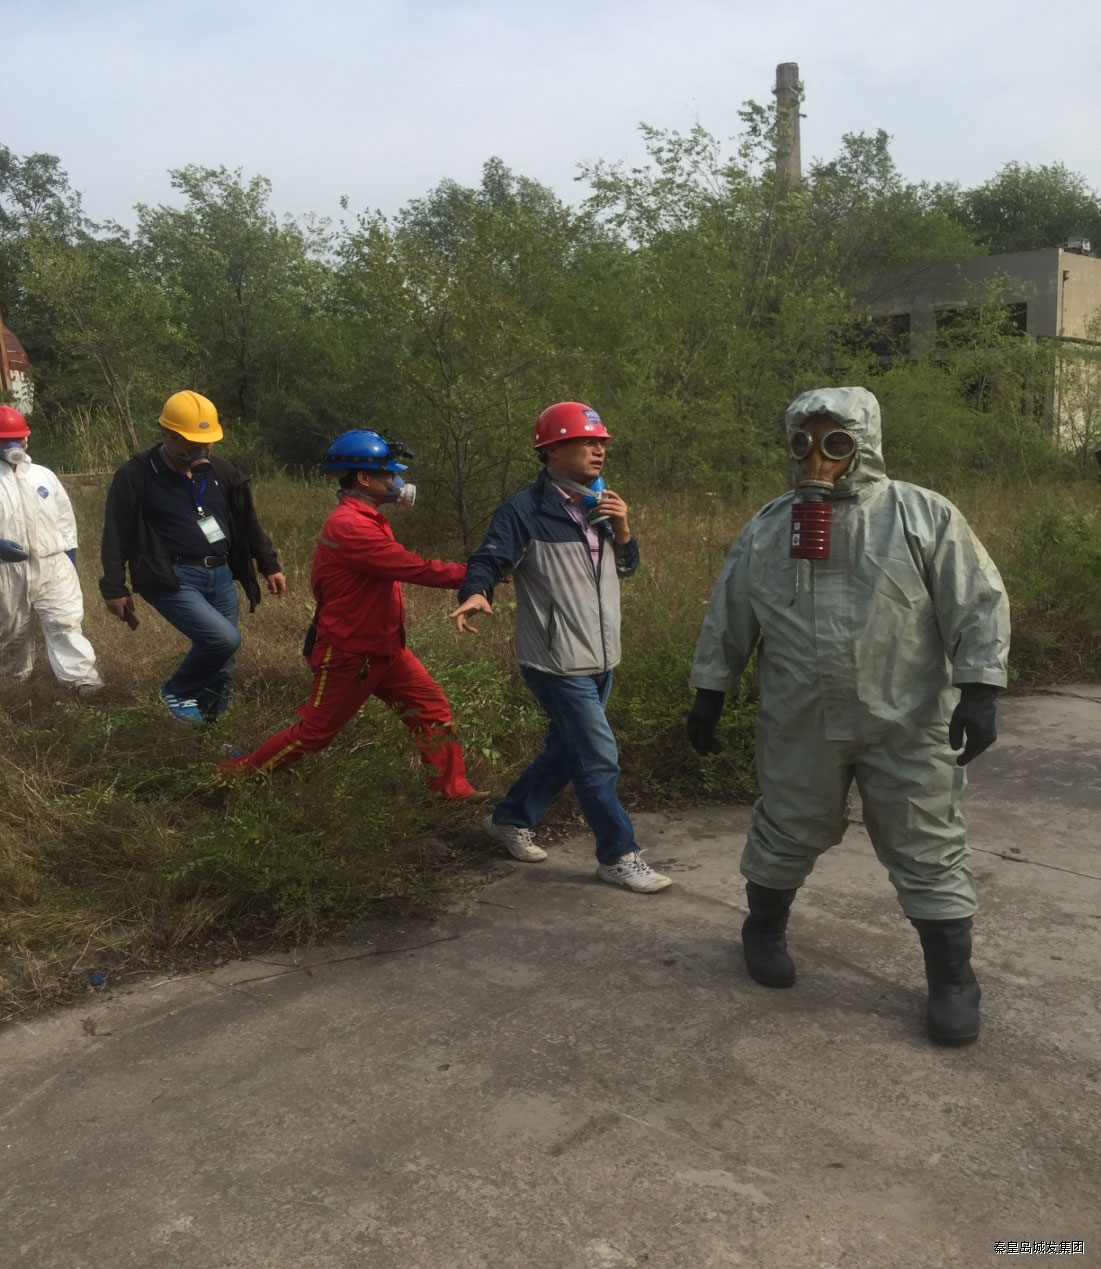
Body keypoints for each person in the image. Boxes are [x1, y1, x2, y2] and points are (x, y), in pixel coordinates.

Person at [686, 386, 1010, 1045]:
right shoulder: (769, 526)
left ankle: (952, 979)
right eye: (803, 443)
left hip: (906, 717)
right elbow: (730, 611)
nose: (818, 458)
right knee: (787, 824)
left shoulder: (920, 514)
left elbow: (975, 599)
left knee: (926, 839)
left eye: (836, 442)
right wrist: (709, 691)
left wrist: (979, 687)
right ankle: (763, 928)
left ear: (864, 444)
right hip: (800, 717)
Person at [450, 401, 671, 893]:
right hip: (555, 659)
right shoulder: (525, 510)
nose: (598, 450)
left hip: (602, 654)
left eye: (601, 442)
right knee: (597, 756)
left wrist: (624, 530)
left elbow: (627, 568)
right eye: (585, 442)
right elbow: (489, 558)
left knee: (565, 747)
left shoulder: (601, 503)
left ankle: (509, 818)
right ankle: (618, 855)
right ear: (551, 451)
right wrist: (477, 591)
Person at [216, 430, 479, 799]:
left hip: (386, 649)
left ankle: (453, 790)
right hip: (351, 655)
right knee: (313, 734)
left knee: (431, 712)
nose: (397, 481)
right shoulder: (350, 526)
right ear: (364, 479)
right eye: (389, 474)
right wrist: (477, 573)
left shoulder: (367, 518)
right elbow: (414, 568)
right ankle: (226, 779)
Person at [99, 390, 286, 723]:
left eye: (206, 442)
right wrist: (114, 586)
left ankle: (210, 734)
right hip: (172, 577)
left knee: (223, 662)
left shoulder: (221, 471)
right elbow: (115, 531)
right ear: (166, 435)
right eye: (191, 443)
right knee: (222, 640)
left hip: (220, 574)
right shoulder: (137, 474)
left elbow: (247, 519)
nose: (201, 451)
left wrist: (268, 563)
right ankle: (178, 690)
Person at [0, 405, 104, 696]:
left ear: (26, 438)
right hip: (6, 571)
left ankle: (82, 679)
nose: (12, 445)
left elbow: (65, 522)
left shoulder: (43, 477)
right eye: (4, 440)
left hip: (53, 564)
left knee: (65, 621)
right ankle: (12, 683)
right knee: (10, 628)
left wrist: (69, 562)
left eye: (17, 438)